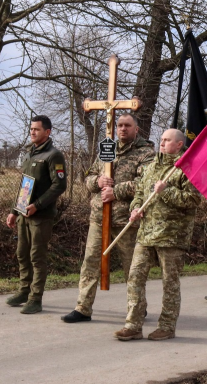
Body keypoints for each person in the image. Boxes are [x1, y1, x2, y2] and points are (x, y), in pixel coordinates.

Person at [63, 114, 153, 323]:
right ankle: (83, 308)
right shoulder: (107, 148)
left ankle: (138, 307)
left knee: (132, 268)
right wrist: (98, 180)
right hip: (99, 218)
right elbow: (88, 178)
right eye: (119, 125)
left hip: (126, 221)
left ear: (136, 129)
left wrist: (116, 191)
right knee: (90, 263)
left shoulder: (145, 153)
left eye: (127, 126)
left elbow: (145, 183)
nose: (122, 129)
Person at [115, 129, 201, 341]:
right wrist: (135, 209)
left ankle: (167, 326)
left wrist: (166, 191)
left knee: (169, 282)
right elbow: (140, 195)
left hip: (172, 235)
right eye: (161, 140)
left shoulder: (186, 169)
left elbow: (193, 200)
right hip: (146, 233)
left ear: (179, 145)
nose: (162, 143)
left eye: (167, 140)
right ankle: (133, 324)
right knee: (134, 276)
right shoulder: (151, 167)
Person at [5, 115, 67, 314]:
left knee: (36, 256)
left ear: (47, 132)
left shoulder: (53, 155)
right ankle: (24, 291)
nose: (32, 132)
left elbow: (60, 185)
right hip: (24, 214)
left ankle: (35, 298)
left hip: (41, 215)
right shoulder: (28, 153)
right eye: (31, 129)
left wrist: (38, 205)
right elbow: (25, 185)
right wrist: (15, 211)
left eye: (37, 129)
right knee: (22, 253)